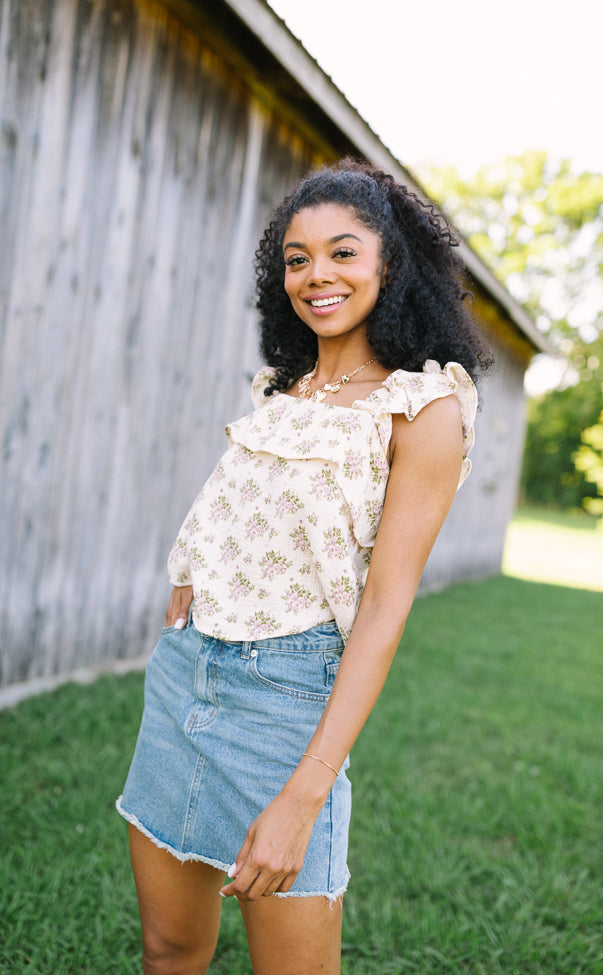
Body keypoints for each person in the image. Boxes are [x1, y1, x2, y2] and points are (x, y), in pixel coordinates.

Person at [117, 158, 492, 974]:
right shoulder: (282, 392)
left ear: (391, 262)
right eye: (297, 258)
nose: (316, 274)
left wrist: (304, 791)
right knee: (168, 949)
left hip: (286, 702)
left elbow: (385, 608)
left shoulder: (421, 410)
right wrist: (196, 566)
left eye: (342, 252)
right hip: (184, 676)